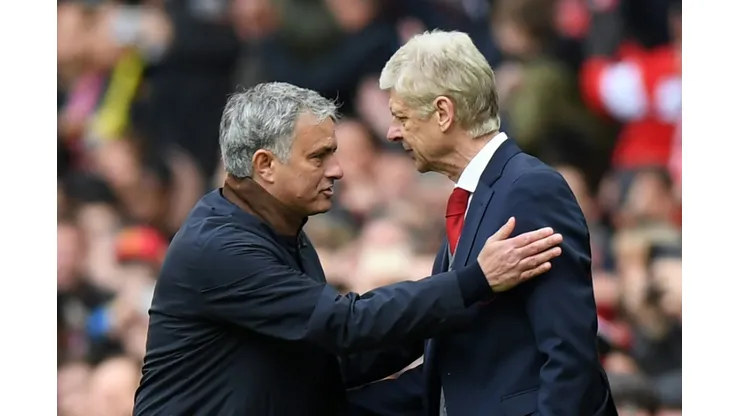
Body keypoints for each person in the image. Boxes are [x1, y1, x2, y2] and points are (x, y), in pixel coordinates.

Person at [133, 82, 564, 415]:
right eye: (318, 157)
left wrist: (457, 334)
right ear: (265, 165)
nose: (337, 170)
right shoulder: (220, 247)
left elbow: (330, 364)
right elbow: (344, 324)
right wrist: (474, 282)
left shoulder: (281, 229)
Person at [348, 30, 617, 416]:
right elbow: (460, 369)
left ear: (443, 113)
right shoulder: (475, 197)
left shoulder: (530, 189)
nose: (392, 132)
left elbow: (569, 353)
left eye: (402, 117)